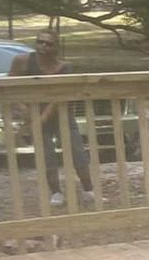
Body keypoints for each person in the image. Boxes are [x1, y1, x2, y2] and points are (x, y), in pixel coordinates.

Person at [9, 33, 94, 206]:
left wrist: (40, 120)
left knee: (77, 151)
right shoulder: (22, 61)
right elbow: (9, 86)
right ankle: (56, 192)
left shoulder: (64, 67)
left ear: (55, 48)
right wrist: (24, 109)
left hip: (61, 113)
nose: (43, 47)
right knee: (46, 155)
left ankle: (88, 189)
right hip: (34, 112)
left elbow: (59, 97)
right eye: (40, 42)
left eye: (49, 44)